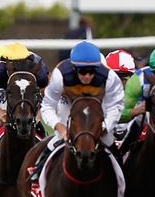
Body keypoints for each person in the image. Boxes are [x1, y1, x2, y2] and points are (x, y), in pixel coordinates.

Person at [31, 41, 124, 182]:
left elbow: (115, 107)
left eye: (91, 71)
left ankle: (123, 177)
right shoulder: (60, 75)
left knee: (110, 142)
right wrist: (60, 128)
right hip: (70, 104)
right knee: (56, 140)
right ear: (74, 68)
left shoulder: (109, 77)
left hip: (95, 106)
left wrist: (105, 127)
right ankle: (38, 173)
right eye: (82, 71)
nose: (87, 76)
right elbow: (47, 105)